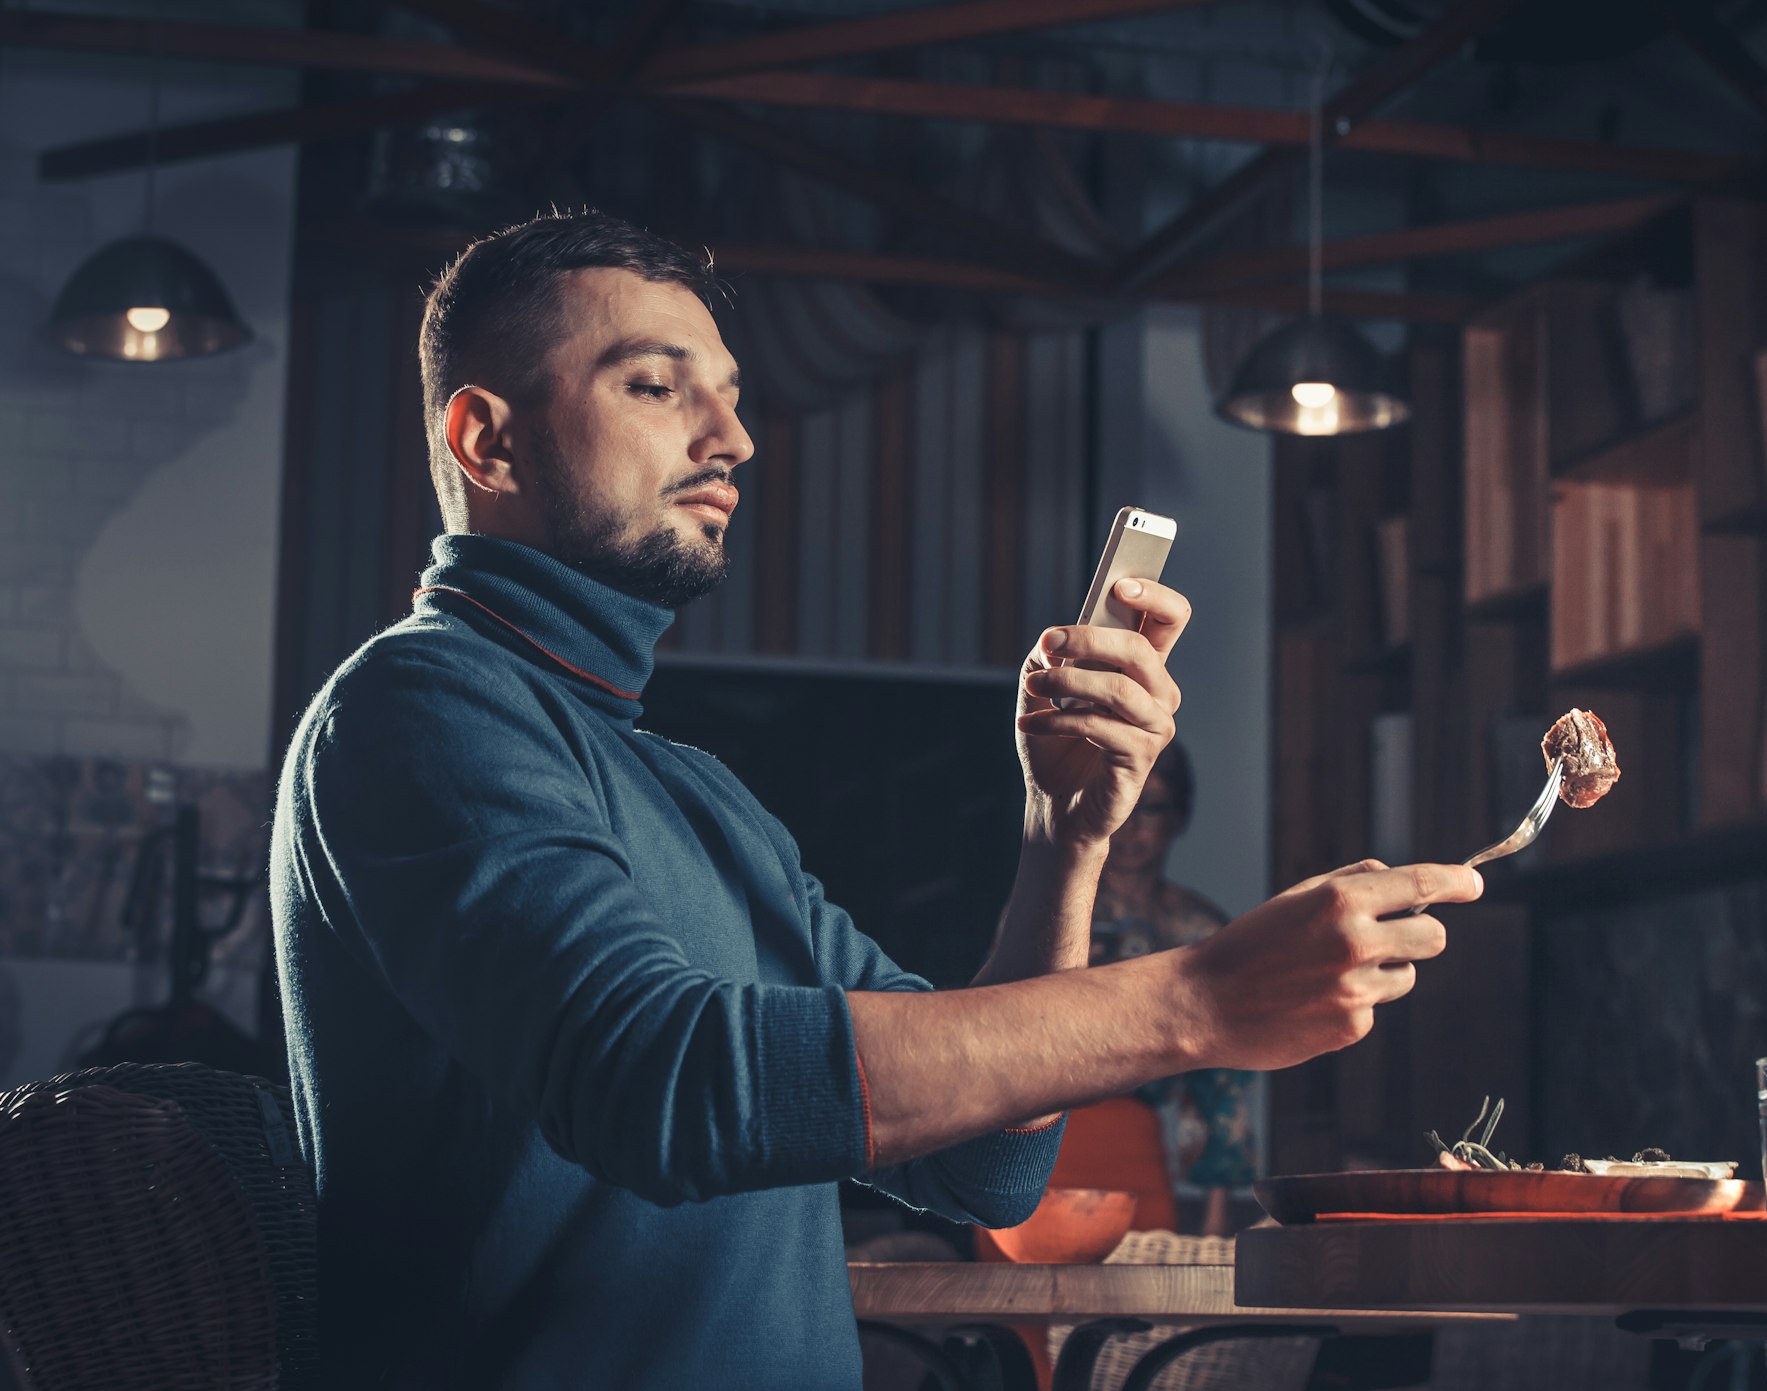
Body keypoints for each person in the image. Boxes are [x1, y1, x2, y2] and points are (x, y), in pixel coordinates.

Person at [269, 210, 1483, 1390]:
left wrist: (1060, 845)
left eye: (732, 393)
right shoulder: (419, 704)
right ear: (487, 441)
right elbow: (663, 1080)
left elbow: (984, 1168)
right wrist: (1195, 998)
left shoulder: (700, 793)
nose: (732, 437)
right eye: (655, 385)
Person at [1085, 741, 1257, 1236]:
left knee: (1229, 1032)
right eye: (1122, 805)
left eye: (1153, 807)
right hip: (1058, 1080)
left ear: (1177, 818)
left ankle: (1214, 1226)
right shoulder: (1049, 912)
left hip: (1154, 1084)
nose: (1135, 826)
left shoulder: (1199, 926)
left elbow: (1224, 1069)